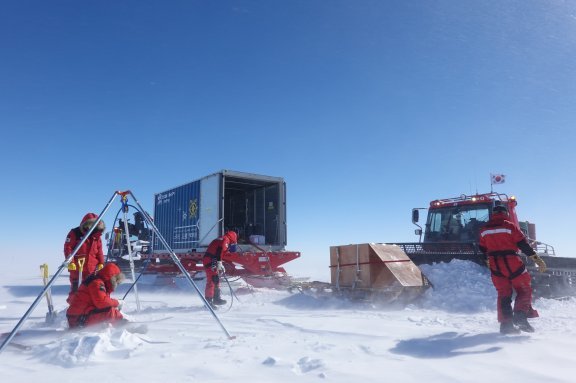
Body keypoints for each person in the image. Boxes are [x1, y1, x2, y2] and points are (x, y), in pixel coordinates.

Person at [479, 205, 547, 334]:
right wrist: (537, 259)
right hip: (512, 263)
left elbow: (482, 249)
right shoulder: (510, 226)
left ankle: (506, 326)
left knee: (503, 294)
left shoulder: (483, 230)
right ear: (506, 213)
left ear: (493, 214)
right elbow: (523, 244)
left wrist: (487, 261)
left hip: (495, 265)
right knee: (524, 289)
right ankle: (520, 316)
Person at [66, 262, 125, 328]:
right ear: (112, 278)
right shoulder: (96, 283)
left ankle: (121, 324)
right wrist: (117, 302)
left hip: (78, 316)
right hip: (78, 318)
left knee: (110, 310)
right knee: (110, 312)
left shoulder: (98, 281)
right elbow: (101, 302)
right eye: (117, 282)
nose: (117, 284)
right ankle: (123, 325)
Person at [64, 213, 106, 303]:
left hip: (92, 269)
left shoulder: (96, 236)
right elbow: (68, 248)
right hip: (77, 268)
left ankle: (89, 307)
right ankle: (73, 308)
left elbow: (99, 250)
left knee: (92, 288)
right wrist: (70, 262)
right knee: (76, 289)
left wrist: (101, 263)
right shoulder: (74, 233)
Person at [202, 231, 237, 309]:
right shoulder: (225, 240)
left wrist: (219, 263)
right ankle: (208, 302)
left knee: (216, 279)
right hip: (210, 260)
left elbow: (218, 252)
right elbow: (219, 252)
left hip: (212, 259)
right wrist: (219, 263)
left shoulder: (222, 239)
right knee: (212, 280)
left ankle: (216, 299)